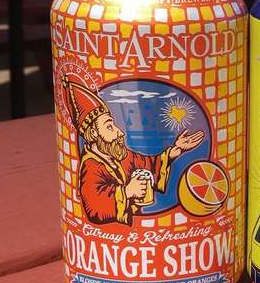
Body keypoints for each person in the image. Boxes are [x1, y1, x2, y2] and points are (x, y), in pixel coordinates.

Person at [63, 74, 204, 225]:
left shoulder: (119, 155)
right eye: (109, 126)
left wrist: (174, 151)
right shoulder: (91, 166)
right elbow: (94, 207)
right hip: (114, 236)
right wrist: (128, 191)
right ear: (93, 133)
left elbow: (148, 163)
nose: (120, 132)